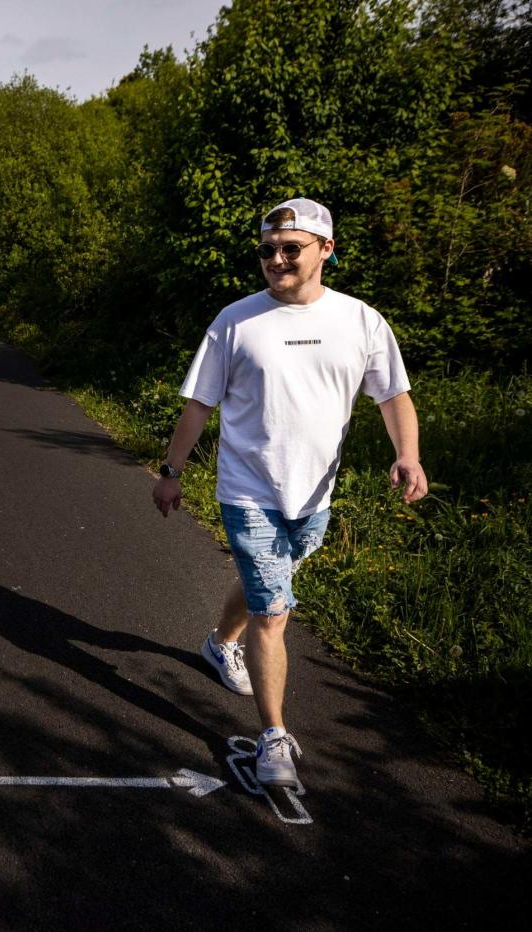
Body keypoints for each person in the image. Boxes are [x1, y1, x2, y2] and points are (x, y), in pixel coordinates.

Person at [152, 198, 427, 788]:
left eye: (290, 249)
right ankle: (273, 735)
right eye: (267, 251)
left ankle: (219, 641)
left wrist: (408, 454)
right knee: (273, 612)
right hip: (247, 488)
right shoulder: (235, 321)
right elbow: (199, 403)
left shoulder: (361, 322)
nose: (276, 260)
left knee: (268, 585)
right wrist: (171, 469)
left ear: (325, 250)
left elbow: (393, 397)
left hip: (314, 495)